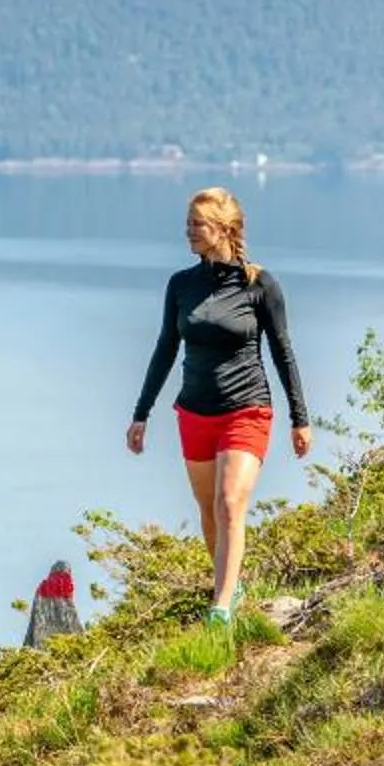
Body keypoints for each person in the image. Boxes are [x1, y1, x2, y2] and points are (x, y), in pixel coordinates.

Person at [126, 187, 311, 627]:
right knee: (209, 509)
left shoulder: (259, 283)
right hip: (194, 411)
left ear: (224, 229)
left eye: (197, 224)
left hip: (247, 409)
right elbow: (165, 348)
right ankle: (231, 585)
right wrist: (142, 412)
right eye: (188, 223)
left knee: (230, 503)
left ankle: (221, 608)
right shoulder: (181, 285)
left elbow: (283, 351)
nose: (188, 232)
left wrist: (299, 417)